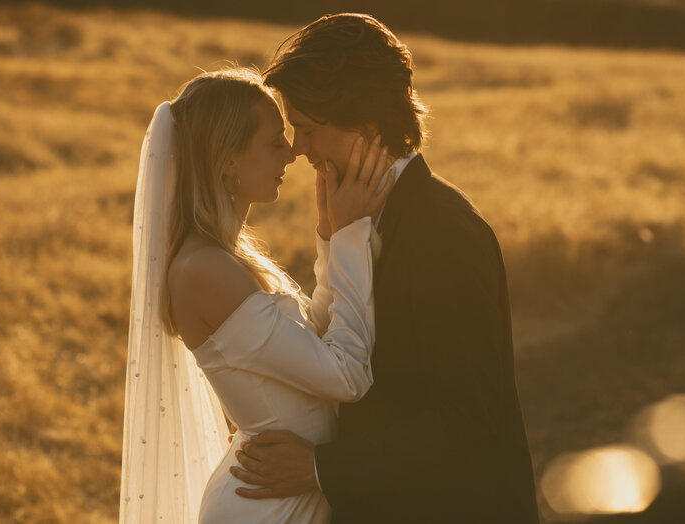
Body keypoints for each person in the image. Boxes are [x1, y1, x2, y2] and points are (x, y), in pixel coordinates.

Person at [230, 14, 540, 523]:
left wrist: (320, 468)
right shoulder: (356, 215)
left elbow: (465, 426)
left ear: (367, 126)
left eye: (308, 128)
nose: (298, 148)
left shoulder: (445, 234)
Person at [119, 68, 395, 523]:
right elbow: (345, 375)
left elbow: (319, 336)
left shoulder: (226, 258)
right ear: (227, 160)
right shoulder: (203, 270)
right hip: (264, 507)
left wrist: (328, 237)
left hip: (280, 495)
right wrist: (349, 238)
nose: (291, 152)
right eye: (273, 143)